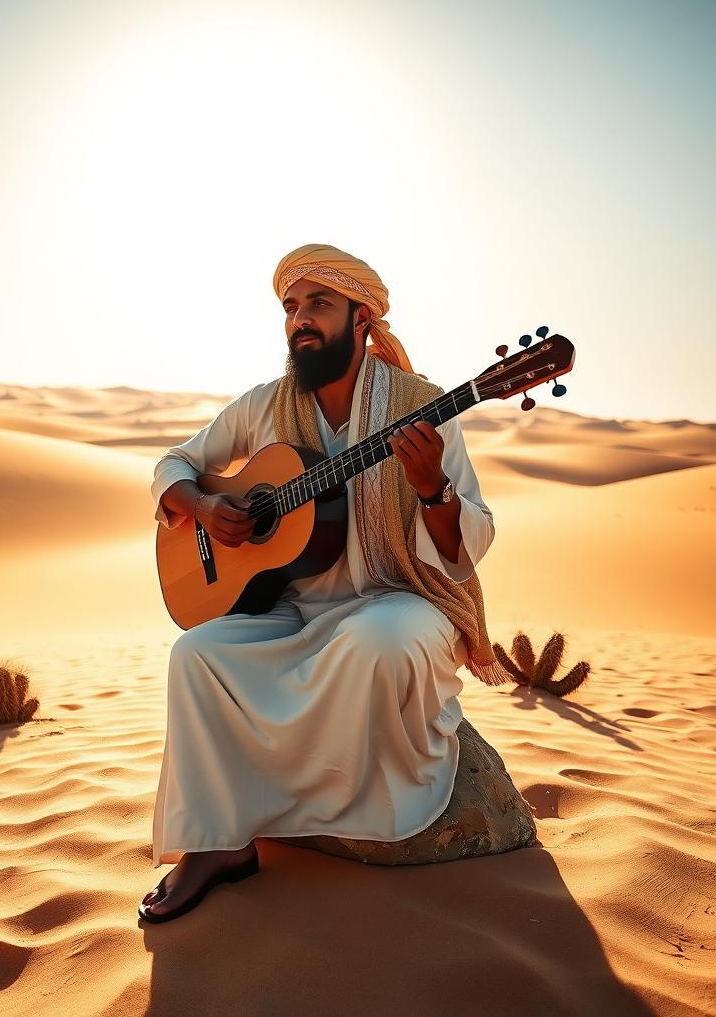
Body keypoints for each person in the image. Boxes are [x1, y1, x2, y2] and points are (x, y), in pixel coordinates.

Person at [138, 244, 511, 924]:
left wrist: (433, 491)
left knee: (379, 640)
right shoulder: (263, 408)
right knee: (196, 655)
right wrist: (203, 507)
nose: (300, 319)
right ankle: (217, 845)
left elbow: (467, 545)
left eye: (318, 304)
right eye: (291, 307)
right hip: (296, 608)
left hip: (401, 600)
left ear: (361, 317)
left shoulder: (423, 406)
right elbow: (175, 463)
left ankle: (347, 817)